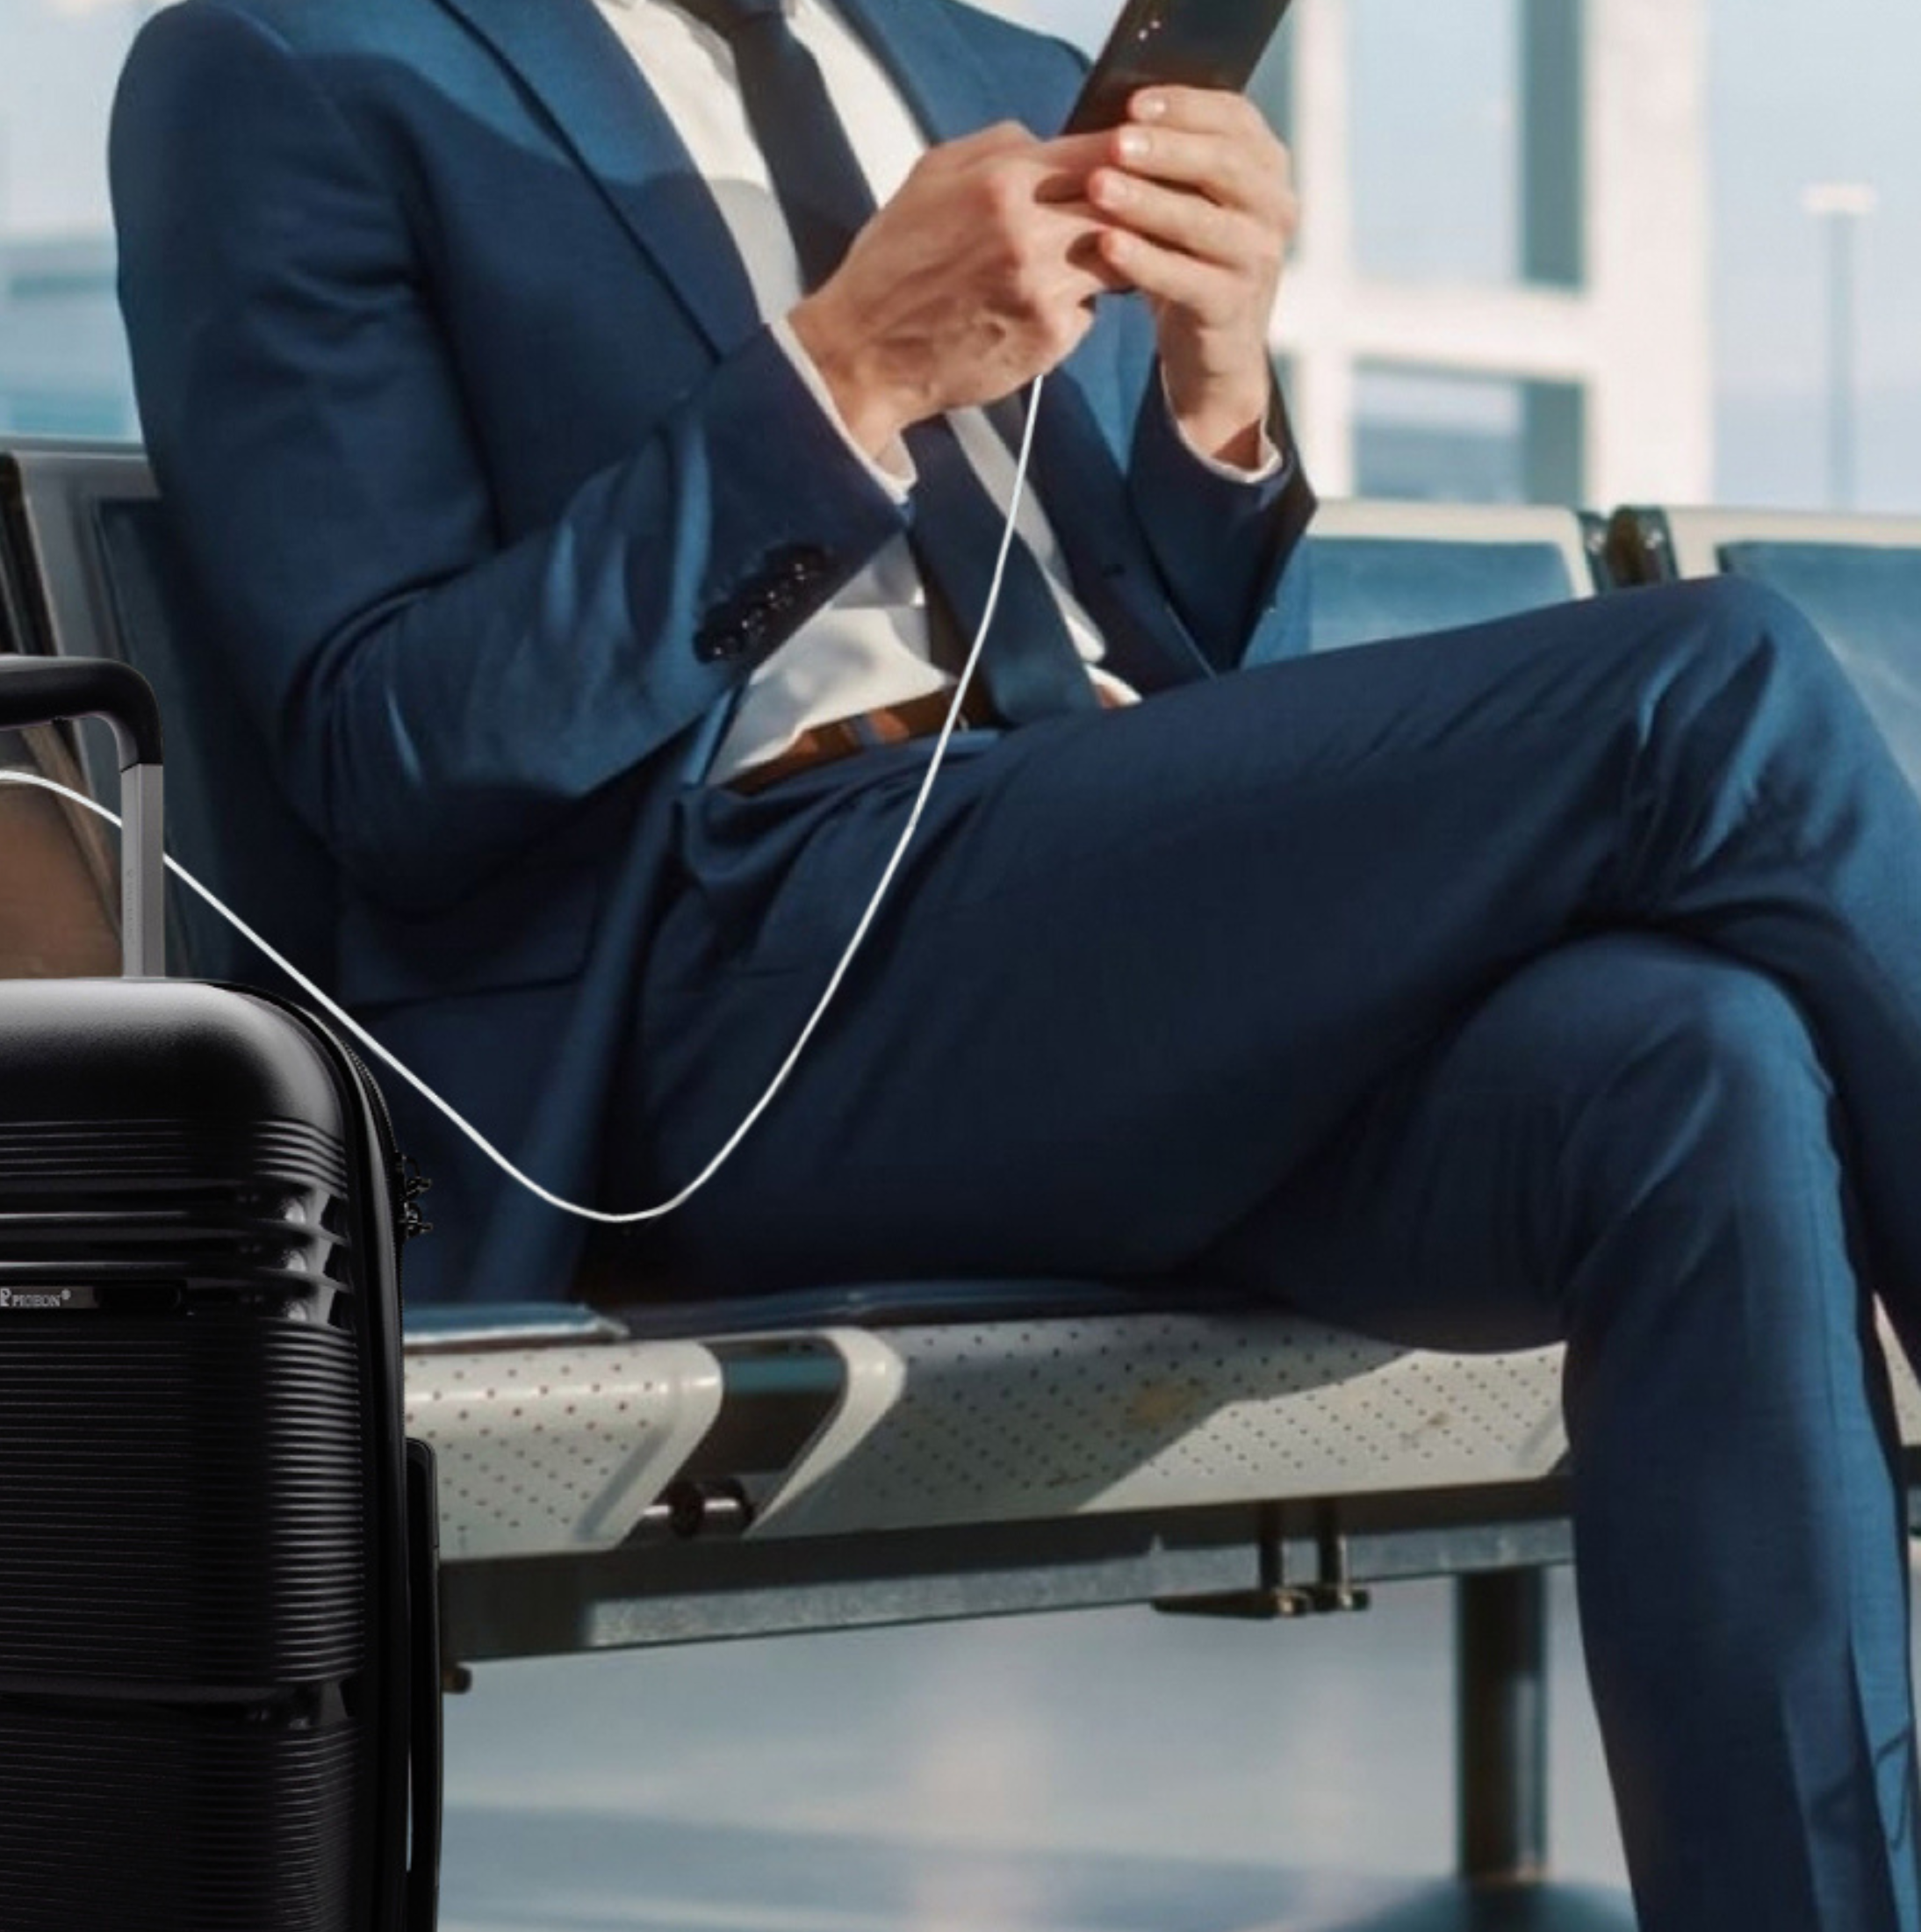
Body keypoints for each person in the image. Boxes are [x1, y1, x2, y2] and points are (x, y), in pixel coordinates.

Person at [108, 1, 1921, 1921]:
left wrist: (1219, 395)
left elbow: (1213, 714)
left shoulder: (992, 74)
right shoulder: (296, 65)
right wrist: (842, 377)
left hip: (1099, 942)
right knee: (1712, 678)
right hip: (747, 986)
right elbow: (387, 754)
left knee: (1697, 1061)